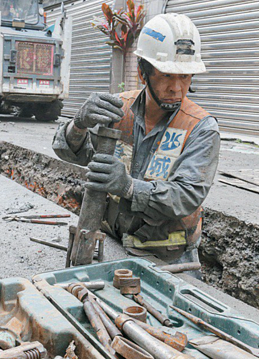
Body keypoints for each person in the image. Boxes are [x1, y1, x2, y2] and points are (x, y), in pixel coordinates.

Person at [52, 13, 220, 266]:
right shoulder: (118, 109)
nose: (177, 87)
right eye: (167, 75)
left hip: (168, 257)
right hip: (114, 243)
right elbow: (73, 153)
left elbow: (186, 196)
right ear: (144, 73)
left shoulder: (200, 127)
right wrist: (78, 125)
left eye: (185, 76)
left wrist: (129, 187)